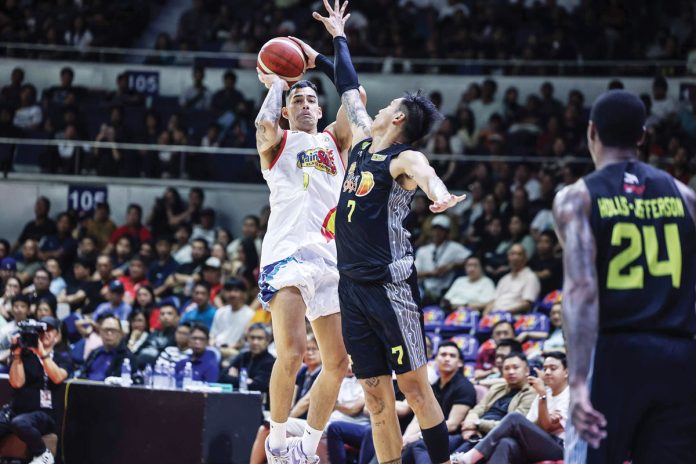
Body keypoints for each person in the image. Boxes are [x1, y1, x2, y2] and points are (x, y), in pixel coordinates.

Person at [316, 3, 466, 462]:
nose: (377, 108)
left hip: (389, 288)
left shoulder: (401, 159)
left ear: (398, 120)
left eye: (388, 106)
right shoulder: (363, 142)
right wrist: (334, 42)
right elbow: (347, 89)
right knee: (376, 399)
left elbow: (425, 170)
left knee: (416, 390)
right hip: (352, 289)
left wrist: (438, 193)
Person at [553, 90, 696, 463]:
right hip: (679, 357)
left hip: (614, 356)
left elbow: (582, 291)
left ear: (591, 132)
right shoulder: (685, 197)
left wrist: (579, 382)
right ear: (642, 136)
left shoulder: (578, 198)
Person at [254, 15, 364, 463]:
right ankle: (277, 437)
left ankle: (304, 443)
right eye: (297, 98)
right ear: (286, 108)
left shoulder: (335, 141)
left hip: (329, 261)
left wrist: (330, 46)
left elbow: (354, 96)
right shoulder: (277, 141)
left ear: (319, 110)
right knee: (294, 353)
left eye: (310, 98)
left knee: (338, 363)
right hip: (287, 257)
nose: (304, 102)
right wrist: (279, 82)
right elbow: (264, 125)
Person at [451, 352, 569, 463]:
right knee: (505, 443)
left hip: (559, 446)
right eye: (545, 368)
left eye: (553, 368)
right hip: (536, 442)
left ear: (566, 372)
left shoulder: (570, 395)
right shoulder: (544, 392)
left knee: (514, 418)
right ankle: (469, 457)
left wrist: (542, 397)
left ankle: (470, 457)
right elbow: (530, 424)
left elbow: (547, 426)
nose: (547, 372)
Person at [0, 316, 71, 464]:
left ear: (57, 336)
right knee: (14, 420)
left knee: (20, 423)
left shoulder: (62, 358)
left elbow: (57, 377)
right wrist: (17, 354)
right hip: (17, 410)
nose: (44, 334)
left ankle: (43, 454)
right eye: (40, 331)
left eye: (49, 330)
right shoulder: (24, 356)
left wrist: (41, 352)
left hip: (44, 415)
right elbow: (17, 383)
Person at [401, 341, 478, 462]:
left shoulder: (464, 387)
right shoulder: (433, 387)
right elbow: (419, 418)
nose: (447, 359)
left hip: (455, 436)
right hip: (433, 433)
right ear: (435, 359)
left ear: (460, 363)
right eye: (443, 355)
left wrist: (418, 436)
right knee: (402, 446)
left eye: (452, 356)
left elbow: (453, 424)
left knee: (419, 444)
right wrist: (405, 438)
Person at [450, 353, 536, 454]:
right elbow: (478, 409)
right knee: (435, 445)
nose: (511, 372)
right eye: (506, 368)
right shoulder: (497, 388)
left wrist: (478, 424)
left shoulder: (531, 394)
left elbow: (512, 425)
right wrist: (469, 426)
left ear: (527, 371)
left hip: (495, 437)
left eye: (515, 367)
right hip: (474, 432)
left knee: (454, 458)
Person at [415, 214, 471, 303]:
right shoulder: (423, 250)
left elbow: (472, 259)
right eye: (435, 229)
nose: (437, 233)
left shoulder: (454, 247)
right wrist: (430, 273)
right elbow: (413, 273)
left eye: (441, 230)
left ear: (447, 232)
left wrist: (452, 265)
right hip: (425, 290)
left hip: (444, 291)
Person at [221, 323, 275, 399]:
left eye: (260, 338)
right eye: (252, 338)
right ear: (247, 339)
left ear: (267, 340)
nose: (255, 342)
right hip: (237, 399)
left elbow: (257, 386)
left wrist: (234, 378)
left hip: (258, 403)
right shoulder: (243, 356)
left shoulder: (270, 361)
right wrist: (246, 381)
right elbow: (222, 377)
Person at [484, 244, 540, 314]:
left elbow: (527, 304)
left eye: (519, 254)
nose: (515, 257)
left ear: (525, 258)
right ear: (508, 257)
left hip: (514, 317)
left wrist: (503, 313)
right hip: (495, 316)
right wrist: (485, 316)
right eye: (512, 254)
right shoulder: (504, 279)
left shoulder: (531, 277)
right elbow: (492, 301)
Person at [210, 278, 254, 361]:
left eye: (236, 291)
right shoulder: (220, 312)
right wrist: (213, 345)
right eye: (229, 290)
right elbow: (212, 336)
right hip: (217, 350)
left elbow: (245, 341)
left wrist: (231, 347)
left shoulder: (250, 314)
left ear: (243, 294)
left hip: (235, 353)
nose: (232, 294)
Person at [81, 314, 134, 382]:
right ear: (100, 332)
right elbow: (83, 374)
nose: (109, 333)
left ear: (121, 333)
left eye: (113, 330)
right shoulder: (95, 352)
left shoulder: (127, 357)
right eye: (106, 330)